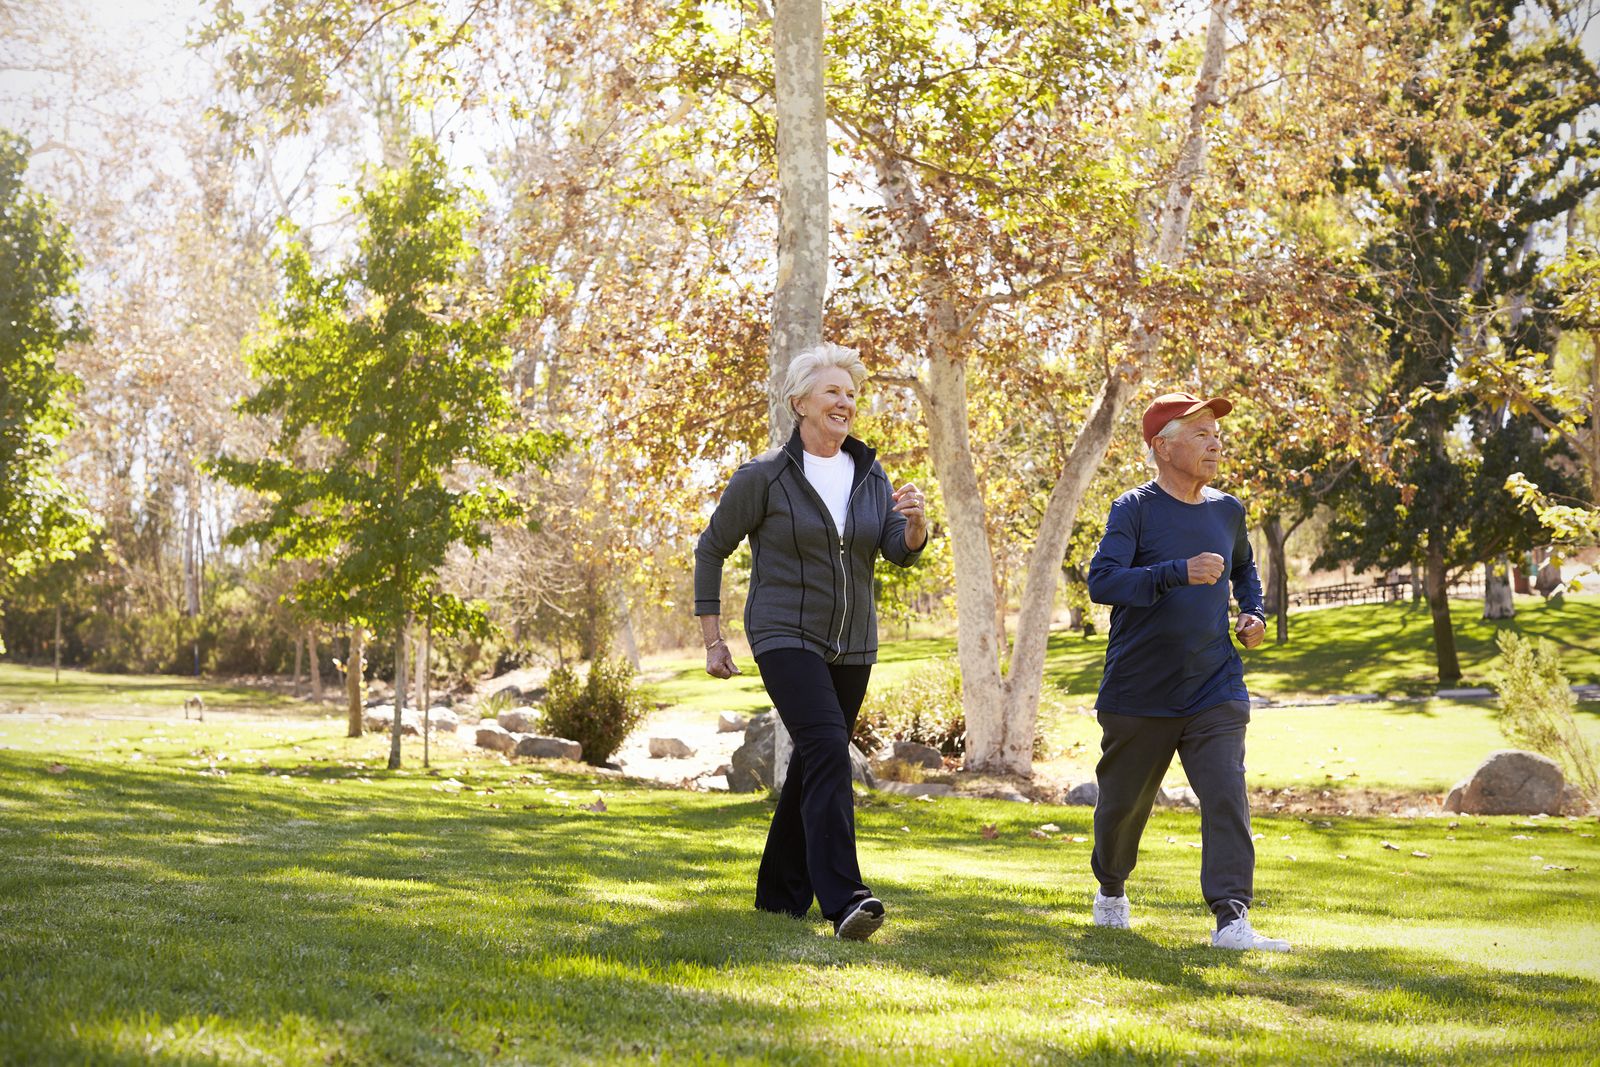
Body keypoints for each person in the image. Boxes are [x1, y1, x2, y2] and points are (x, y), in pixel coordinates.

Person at [694, 342, 927, 942]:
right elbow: (711, 548)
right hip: (783, 630)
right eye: (832, 392)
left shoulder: (871, 474)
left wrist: (917, 528)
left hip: (853, 641)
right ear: (799, 402)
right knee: (826, 746)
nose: (845, 402)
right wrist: (712, 637)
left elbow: (896, 551)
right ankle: (846, 898)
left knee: (813, 763)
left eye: (851, 394)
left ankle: (777, 896)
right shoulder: (764, 475)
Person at [1084, 391, 1289, 952]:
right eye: (1199, 433)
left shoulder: (1227, 510)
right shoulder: (1135, 509)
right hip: (1140, 689)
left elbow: (1245, 571)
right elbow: (1102, 582)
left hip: (1213, 683)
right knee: (1123, 806)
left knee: (1226, 791)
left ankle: (1232, 918)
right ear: (1162, 447)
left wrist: (1253, 614)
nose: (1215, 442)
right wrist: (1177, 572)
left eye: (1215, 433)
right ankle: (1110, 888)